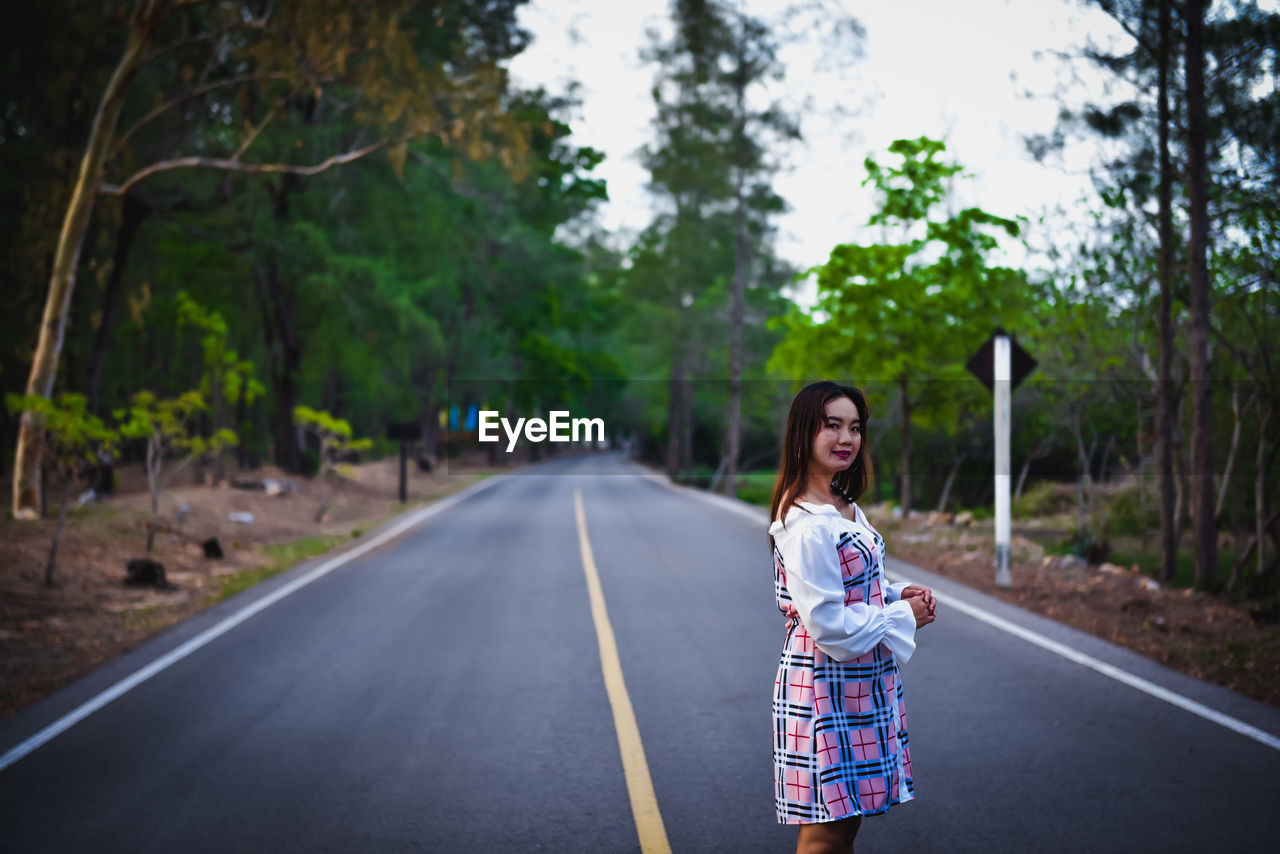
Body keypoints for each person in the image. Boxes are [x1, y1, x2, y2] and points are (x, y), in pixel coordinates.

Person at [768, 380, 936, 854]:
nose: (847, 439)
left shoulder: (842, 506)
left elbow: (855, 586)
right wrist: (899, 615)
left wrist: (897, 593)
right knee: (824, 831)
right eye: (832, 426)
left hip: (862, 682)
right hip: (824, 684)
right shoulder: (807, 523)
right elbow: (828, 627)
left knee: (850, 817)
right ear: (804, 432)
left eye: (855, 428)